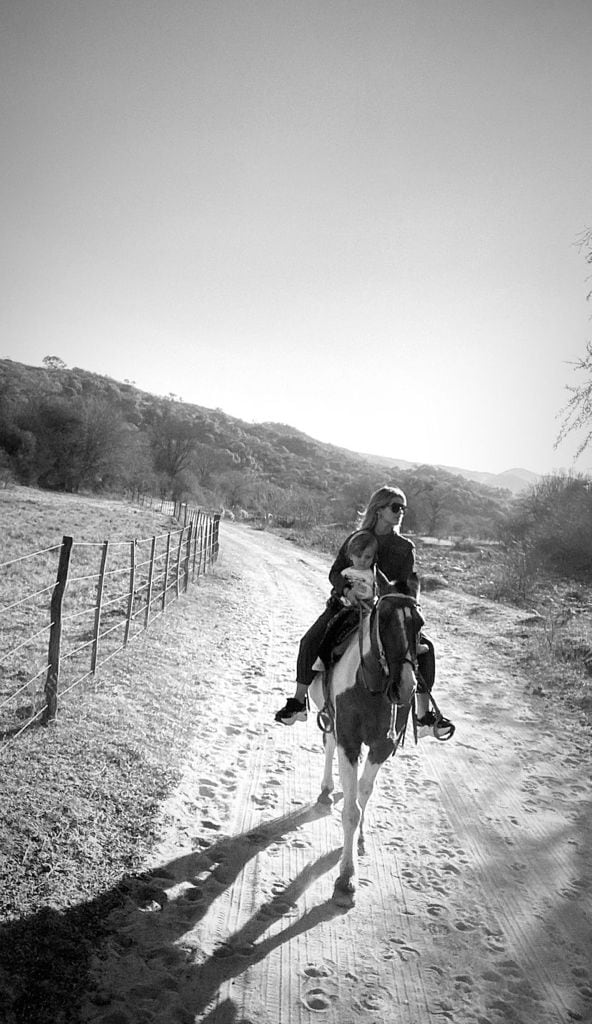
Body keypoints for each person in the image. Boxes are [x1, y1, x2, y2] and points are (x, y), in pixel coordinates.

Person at [274, 485, 455, 739]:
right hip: (345, 606)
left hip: (386, 612)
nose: (400, 512)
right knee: (310, 640)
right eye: (395, 507)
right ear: (379, 509)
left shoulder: (405, 548)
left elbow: (404, 587)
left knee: (425, 649)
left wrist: (392, 606)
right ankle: (298, 703)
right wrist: (346, 590)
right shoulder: (357, 538)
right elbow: (335, 572)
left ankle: (424, 717)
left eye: (403, 508)